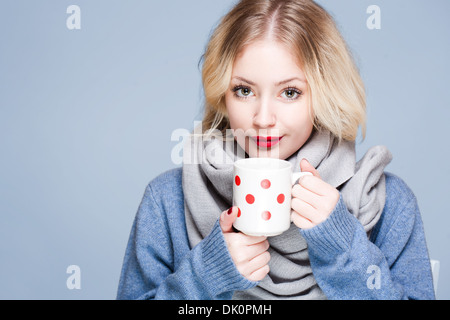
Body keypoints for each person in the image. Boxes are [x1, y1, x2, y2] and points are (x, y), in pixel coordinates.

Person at [116, 0, 435, 300]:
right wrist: (205, 276)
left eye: (290, 92)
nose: (263, 119)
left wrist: (343, 247)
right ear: (222, 94)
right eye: (244, 90)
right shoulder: (166, 201)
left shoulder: (389, 204)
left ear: (324, 94)